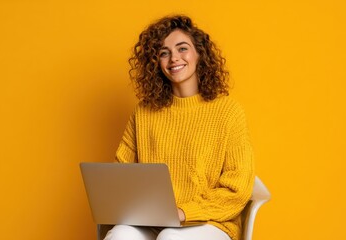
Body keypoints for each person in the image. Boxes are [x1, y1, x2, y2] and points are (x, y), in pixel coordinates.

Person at [104, 15, 255, 240]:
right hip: (152, 220)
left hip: (210, 222)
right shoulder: (144, 112)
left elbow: (237, 189)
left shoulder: (228, 112)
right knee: (120, 235)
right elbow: (121, 173)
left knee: (171, 238)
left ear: (199, 54)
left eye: (182, 48)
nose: (174, 58)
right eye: (164, 53)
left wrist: (184, 212)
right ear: (156, 62)